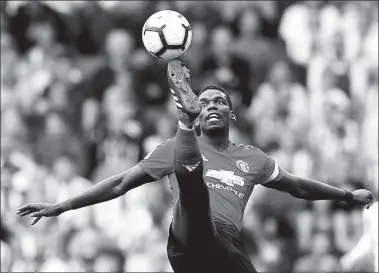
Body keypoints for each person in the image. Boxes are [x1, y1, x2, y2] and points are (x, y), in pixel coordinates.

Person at [17, 60, 374, 272]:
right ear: (200, 114)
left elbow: (298, 186)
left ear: (231, 114)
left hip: (225, 247)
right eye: (204, 103)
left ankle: (183, 122)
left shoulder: (253, 158)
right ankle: (182, 122)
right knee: (194, 190)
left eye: (220, 101)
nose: (214, 105)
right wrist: (62, 206)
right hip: (187, 234)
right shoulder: (170, 149)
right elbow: (119, 184)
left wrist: (346, 195)